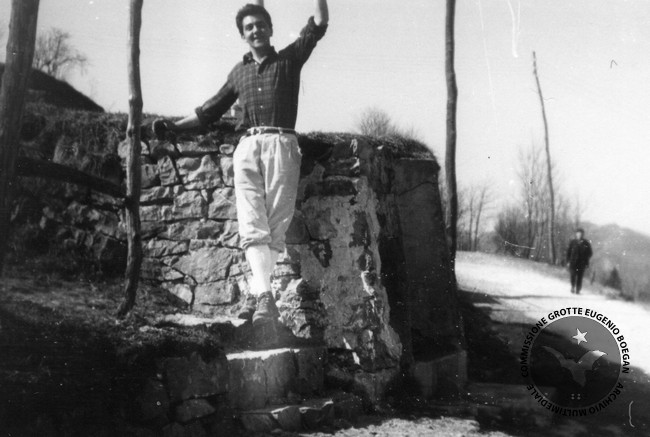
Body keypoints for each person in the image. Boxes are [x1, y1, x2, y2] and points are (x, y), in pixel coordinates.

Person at [154, 1, 329, 338]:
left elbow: (319, 23)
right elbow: (208, 111)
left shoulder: (289, 59)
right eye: (249, 27)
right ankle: (264, 298)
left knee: (275, 226)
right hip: (247, 147)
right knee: (252, 224)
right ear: (243, 35)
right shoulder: (238, 73)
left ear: (270, 29)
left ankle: (255, 293)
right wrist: (174, 127)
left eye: (260, 24)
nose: (255, 30)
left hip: (282, 144)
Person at [566, 227, 593, 294]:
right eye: (578, 234)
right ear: (576, 234)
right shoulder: (572, 242)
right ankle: (572, 287)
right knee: (573, 275)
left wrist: (585, 258)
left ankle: (578, 289)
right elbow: (568, 252)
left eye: (581, 234)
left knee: (580, 277)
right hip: (573, 262)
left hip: (581, 263)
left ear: (583, 235)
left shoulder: (586, 243)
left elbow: (590, 253)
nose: (579, 235)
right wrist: (568, 261)